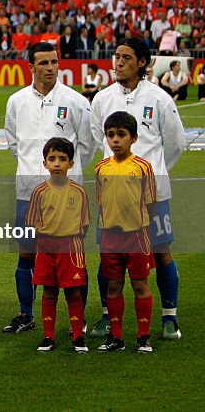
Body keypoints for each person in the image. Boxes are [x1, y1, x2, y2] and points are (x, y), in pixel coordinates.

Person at [90, 37, 185, 340]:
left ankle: (170, 317)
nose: (118, 62)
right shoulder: (103, 99)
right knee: (109, 255)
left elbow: (175, 144)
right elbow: (97, 141)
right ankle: (107, 316)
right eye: (116, 56)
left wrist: (151, 175)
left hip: (152, 196)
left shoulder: (159, 99)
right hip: (114, 197)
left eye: (126, 57)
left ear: (142, 62)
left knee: (161, 252)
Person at [3, 42, 94, 334]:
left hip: (67, 194)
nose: (50, 68)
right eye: (43, 63)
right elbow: (14, 143)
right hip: (28, 192)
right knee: (27, 253)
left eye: (54, 62)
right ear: (30, 67)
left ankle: (77, 319)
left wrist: (68, 175)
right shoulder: (16, 101)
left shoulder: (76, 101)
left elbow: (87, 145)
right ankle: (26, 313)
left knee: (72, 256)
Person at [94, 111, 157, 354]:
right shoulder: (101, 168)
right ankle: (116, 337)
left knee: (140, 285)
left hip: (137, 235)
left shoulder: (143, 167)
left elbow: (150, 202)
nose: (115, 140)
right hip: (111, 236)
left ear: (134, 138)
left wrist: (140, 224)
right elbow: (101, 201)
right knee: (113, 285)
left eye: (121, 134)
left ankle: (143, 336)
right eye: (111, 135)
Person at [26, 137, 91, 353]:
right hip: (46, 247)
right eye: (51, 159)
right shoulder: (39, 192)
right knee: (49, 291)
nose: (56, 163)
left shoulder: (79, 192)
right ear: (44, 163)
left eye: (62, 159)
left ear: (71, 163)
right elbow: (33, 223)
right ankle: (48, 336)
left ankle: (78, 336)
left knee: (73, 292)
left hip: (71, 247)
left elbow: (85, 224)